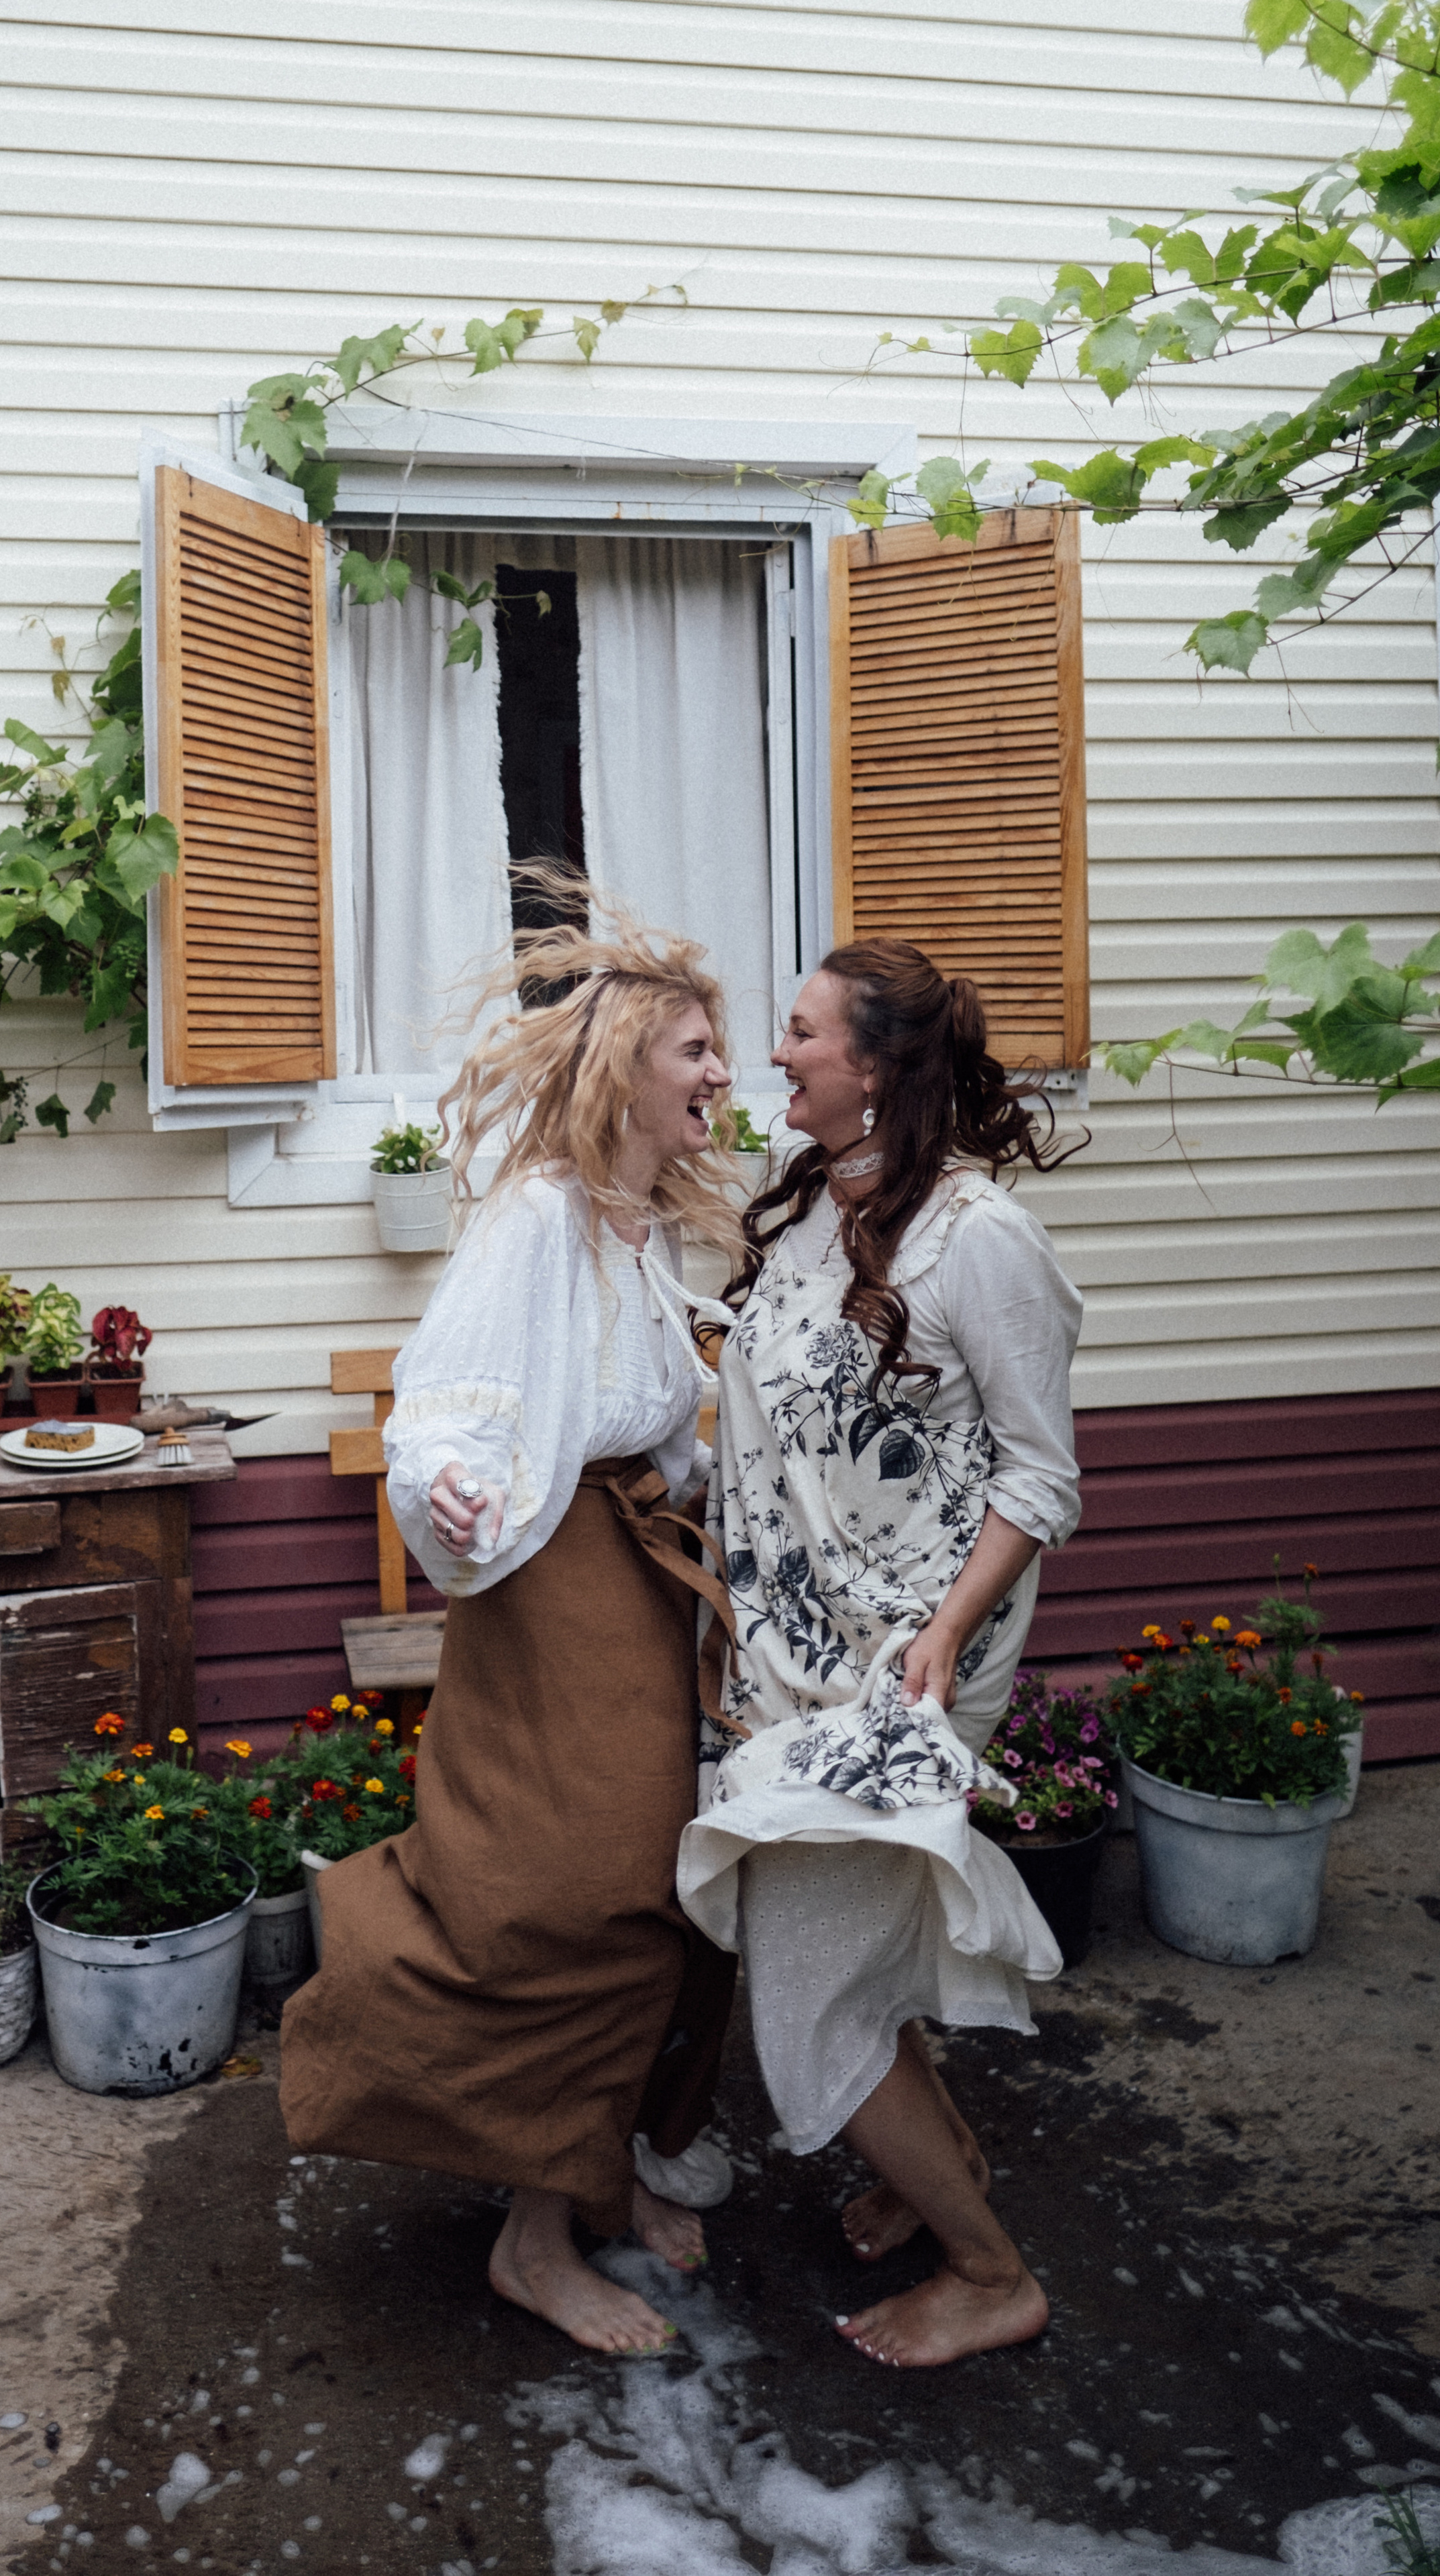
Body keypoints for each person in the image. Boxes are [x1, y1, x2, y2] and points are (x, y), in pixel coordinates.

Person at [280, 903, 745, 2358]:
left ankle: (591, 2180)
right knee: (576, 1893)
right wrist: (454, 1489)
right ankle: (530, 2243)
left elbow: (657, 1425)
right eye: (696, 1048)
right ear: (625, 1064)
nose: (721, 1074)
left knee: (671, 1885)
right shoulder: (540, 1217)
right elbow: (443, 1403)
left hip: (631, 1580)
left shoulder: (633, 1227)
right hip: (551, 1599)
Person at [676, 938, 1084, 2370]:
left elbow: (1039, 1478)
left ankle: (990, 2273)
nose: (769, 1055)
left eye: (794, 1032)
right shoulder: (805, 1216)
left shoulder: (976, 1240)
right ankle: (938, 2167)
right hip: (790, 1661)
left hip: (902, 1670)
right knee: (838, 1954)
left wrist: (946, 1629)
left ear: (876, 1063)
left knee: (800, 1992)